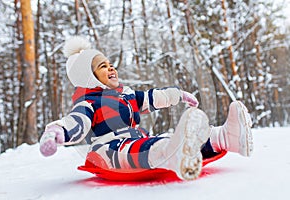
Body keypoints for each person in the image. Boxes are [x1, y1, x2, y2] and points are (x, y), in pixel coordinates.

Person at [39, 36, 253, 181]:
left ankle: (225, 137)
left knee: (164, 139)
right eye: (102, 66)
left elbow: (152, 97)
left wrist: (177, 95)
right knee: (155, 146)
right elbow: (76, 122)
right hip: (109, 151)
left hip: (135, 141)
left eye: (109, 63)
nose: (111, 67)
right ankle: (174, 154)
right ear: (88, 78)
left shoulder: (126, 95)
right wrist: (56, 132)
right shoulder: (89, 102)